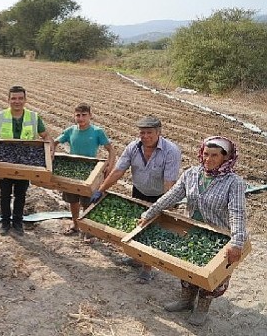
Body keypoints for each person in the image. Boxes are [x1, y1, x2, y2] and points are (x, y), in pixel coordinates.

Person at [138, 136, 248, 326]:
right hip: (192, 231)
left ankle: (202, 308)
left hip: (218, 237)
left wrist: (237, 242)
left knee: (211, 276)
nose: (208, 159)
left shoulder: (234, 182)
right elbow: (172, 196)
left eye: (215, 155)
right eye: (206, 154)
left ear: (226, 157)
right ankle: (186, 300)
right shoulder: (192, 174)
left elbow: (237, 213)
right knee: (187, 268)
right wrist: (150, 212)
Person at [90, 116, 181, 283]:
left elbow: (170, 183)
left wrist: (166, 206)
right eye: (142, 132)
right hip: (139, 191)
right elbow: (118, 171)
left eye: (149, 132)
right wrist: (100, 190)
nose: (145, 136)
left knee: (149, 231)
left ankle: (147, 269)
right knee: (136, 226)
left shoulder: (171, 151)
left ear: (159, 132)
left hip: (159, 196)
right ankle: (137, 259)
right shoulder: (133, 147)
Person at [0, 85, 53, 236]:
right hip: (3, 163)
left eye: (20, 98)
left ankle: (18, 223)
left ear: (25, 100)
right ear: (8, 100)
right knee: (5, 194)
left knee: (21, 194)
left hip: (25, 163)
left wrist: (50, 149)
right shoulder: (0, 116)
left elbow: (45, 135)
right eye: (13, 98)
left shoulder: (33, 117)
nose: (17, 101)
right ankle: (5, 223)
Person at [52, 103, 115, 243]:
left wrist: (109, 166)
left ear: (90, 115)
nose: (80, 118)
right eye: (78, 115)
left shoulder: (97, 132)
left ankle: (87, 230)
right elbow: (55, 142)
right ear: (74, 116)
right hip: (72, 170)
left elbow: (111, 150)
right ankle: (75, 225)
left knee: (87, 202)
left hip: (91, 172)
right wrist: (51, 154)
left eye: (84, 115)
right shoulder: (70, 131)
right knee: (72, 200)